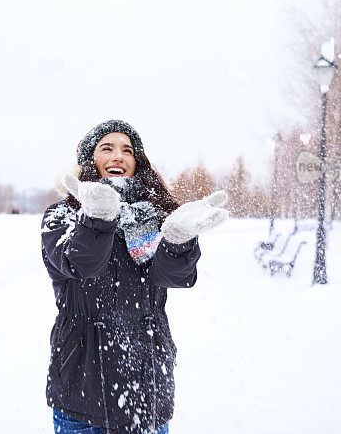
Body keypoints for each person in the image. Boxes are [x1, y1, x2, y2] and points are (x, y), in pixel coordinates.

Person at [41, 120, 228, 434]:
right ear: (89, 161)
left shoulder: (152, 216)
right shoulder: (63, 215)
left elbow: (174, 276)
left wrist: (179, 239)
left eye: (127, 150)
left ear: (136, 163)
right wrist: (98, 218)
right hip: (82, 389)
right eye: (107, 148)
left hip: (147, 386)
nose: (118, 156)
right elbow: (80, 264)